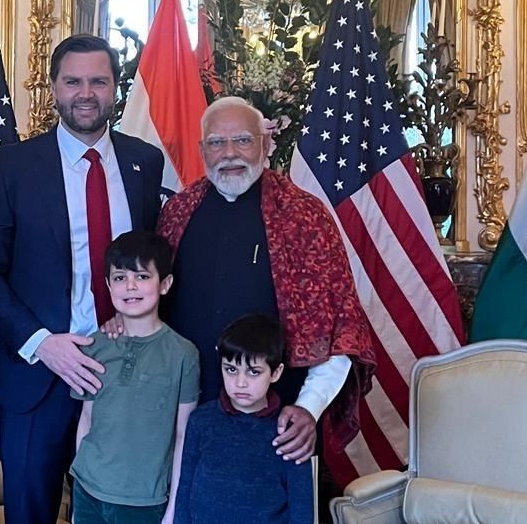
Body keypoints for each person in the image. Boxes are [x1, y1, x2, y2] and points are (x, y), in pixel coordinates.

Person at [0, 35, 165, 524]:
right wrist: (43, 342)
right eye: (74, 82)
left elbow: (150, 269)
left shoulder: (144, 164)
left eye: (98, 81)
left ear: (116, 88)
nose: (86, 93)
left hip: (121, 376)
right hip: (37, 375)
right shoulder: (13, 166)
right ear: (54, 89)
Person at [158, 96, 375, 469]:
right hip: (189, 414)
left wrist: (309, 407)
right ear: (202, 149)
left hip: (280, 420)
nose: (230, 153)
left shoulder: (305, 216)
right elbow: (147, 304)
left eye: (243, 140)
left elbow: (340, 325)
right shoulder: (176, 213)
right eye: (217, 142)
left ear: (265, 143)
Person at [70, 231, 199, 524]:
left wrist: (173, 513)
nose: (130, 287)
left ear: (165, 283)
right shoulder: (94, 345)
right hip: (90, 496)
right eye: (120, 277)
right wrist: (76, 492)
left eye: (142, 277)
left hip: (144, 504)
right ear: (107, 285)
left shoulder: (183, 354)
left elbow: (183, 436)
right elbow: (86, 420)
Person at [169, 314, 314, 524]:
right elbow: (185, 491)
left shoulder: (289, 432)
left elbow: (303, 513)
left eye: (254, 372)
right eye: (231, 370)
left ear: (276, 373)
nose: (240, 383)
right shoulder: (202, 421)